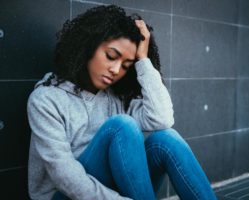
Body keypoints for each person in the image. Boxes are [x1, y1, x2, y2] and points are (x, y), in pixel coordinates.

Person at [27, 4, 217, 200]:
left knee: (166, 139)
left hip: (113, 191)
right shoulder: (46, 99)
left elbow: (162, 119)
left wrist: (143, 60)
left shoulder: (114, 98)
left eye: (126, 65)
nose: (116, 70)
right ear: (88, 47)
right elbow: (64, 175)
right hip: (64, 195)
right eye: (111, 56)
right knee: (121, 125)